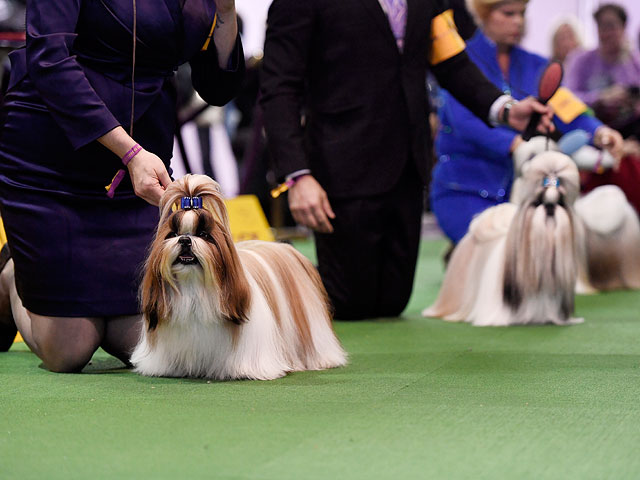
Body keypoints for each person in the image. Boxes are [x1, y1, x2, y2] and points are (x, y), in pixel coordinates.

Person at [259, 0, 554, 320]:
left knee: (392, 302)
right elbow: (279, 88)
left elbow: (452, 63)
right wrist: (297, 174)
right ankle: (272, 286)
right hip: (341, 166)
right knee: (349, 301)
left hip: (408, 165)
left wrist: (505, 109)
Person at [0, 0, 245, 371]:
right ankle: (10, 272)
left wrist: (225, 13)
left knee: (147, 345)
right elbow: (50, 60)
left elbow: (217, 89)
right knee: (70, 351)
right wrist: (129, 153)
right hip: (51, 159)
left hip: (142, 166)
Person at [429, 0, 623, 246]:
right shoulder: (460, 62)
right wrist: (517, 144)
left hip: (525, 195)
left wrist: (599, 132)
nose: (518, 21)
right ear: (483, 16)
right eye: (508, 13)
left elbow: (566, 108)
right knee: (498, 247)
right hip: (465, 191)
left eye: (521, 14)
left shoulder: (537, 65)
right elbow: (465, 121)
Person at [564, 3, 640, 138]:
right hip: (590, 129)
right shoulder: (581, 60)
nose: (606, 33)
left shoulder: (634, 61)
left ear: (623, 28)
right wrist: (600, 97)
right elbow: (567, 97)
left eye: (611, 26)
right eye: (601, 26)